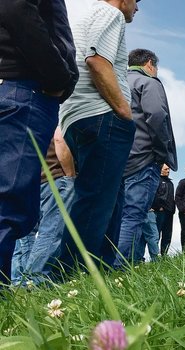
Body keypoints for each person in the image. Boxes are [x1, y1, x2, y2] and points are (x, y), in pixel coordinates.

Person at [56, 0, 140, 274]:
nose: (137, 9)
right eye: (137, 2)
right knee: (96, 200)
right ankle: (70, 274)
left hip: (77, 116)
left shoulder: (82, 16)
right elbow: (97, 61)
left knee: (109, 197)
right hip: (102, 115)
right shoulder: (109, 13)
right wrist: (124, 111)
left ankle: (103, 270)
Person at [0, 0, 78, 285]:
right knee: (8, 201)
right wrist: (57, 73)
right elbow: (16, 6)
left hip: (21, 90)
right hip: (25, 88)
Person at [115, 48, 177, 267]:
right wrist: (162, 152)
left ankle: (124, 263)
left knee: (118, 216)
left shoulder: (116, 80)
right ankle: (120, 268)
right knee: (134, 214)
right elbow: (157, 116)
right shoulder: (149, 82)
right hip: (143, 157)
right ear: (150, 64)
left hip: (119, 158)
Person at [11, 127, 76, 285]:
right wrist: (70, 175)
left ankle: (19, 282)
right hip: (54, 176)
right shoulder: (52, 108)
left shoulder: (19, 117)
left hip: (27, 181)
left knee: (25, 233)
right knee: (52, 230)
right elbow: (59, 140)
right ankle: (35, 279)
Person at [151, 164, 175, 256]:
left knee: (167, 235)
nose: (168, 170)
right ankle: (155, 257)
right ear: (160, 170)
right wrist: (158, 207)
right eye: (166, 169)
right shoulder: (156, 180)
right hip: (160, 212)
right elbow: (155, 195)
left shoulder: (170, 182)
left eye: (169, 169)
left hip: (169, 213)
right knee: (156, 235)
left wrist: (173, 209)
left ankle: (164, 256)